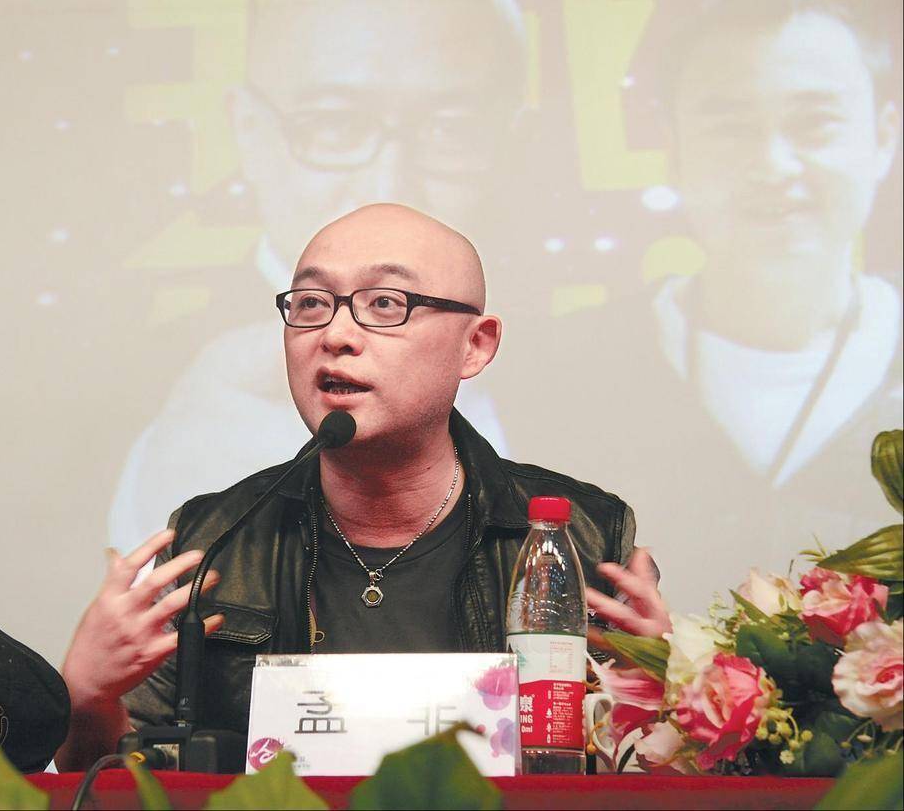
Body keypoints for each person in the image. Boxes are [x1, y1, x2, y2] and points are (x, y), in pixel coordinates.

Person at [56, 204, 669, 770]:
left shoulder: (580, 538)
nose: (336, 335)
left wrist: (666, 703)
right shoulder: (216, 541)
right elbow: (124, 783)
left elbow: (629, 774)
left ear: (475, 346)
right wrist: (88, 697)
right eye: (311, 303)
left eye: (385, 303)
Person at [503, 0, 903, 608]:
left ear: (884, 136)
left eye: (814, 123)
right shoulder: (559, 369)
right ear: (673, 148)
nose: (773, 165)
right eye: (732, 128)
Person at [107, 0, 530, 552]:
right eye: (333, 125)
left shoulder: (605, 384)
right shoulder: (139, 387)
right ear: (249, 131)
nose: (387, 182)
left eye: (449, 129)